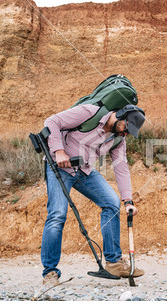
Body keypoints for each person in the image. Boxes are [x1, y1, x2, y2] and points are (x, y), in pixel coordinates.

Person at [41, 103, 146, 286]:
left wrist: (128, 200)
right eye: (126, 129)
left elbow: (121, 168)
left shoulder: (117, 139)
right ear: (120, 116)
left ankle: (113, 262)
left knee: (112, 203)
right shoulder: (90, 112)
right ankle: (50, 273)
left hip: (84, 170)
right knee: (57, 214)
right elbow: (52, 121)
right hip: (59, 166)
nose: (125, 134)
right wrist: (59, 151)